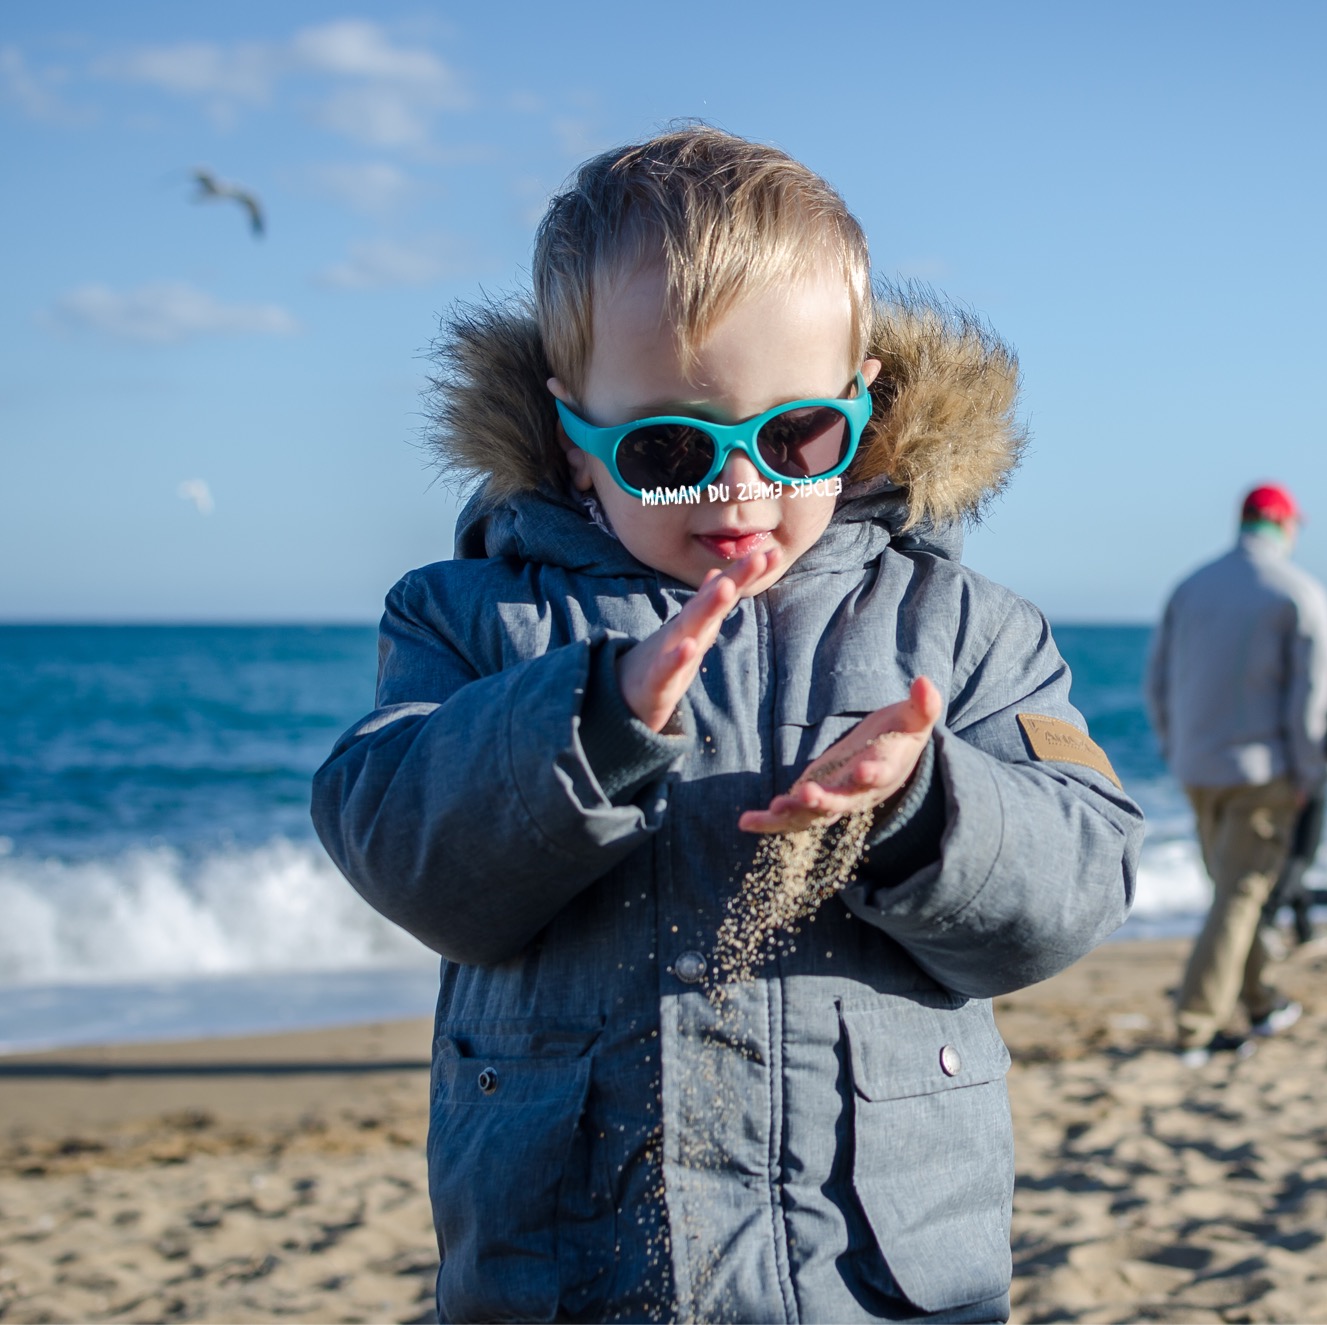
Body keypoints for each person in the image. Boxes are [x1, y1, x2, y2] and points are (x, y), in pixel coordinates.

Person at [311, 128, 1142, 1323]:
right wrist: (583, 724)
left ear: (857, 404)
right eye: (667, 448)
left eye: (793, 435)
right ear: (573, 442)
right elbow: (397, 840)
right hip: (567, 1275)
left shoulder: (961, 631)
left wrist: (919, 806)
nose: (740, 486)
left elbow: (1078, 876)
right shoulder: (471, 617)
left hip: (871, 1275)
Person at [1145, 483, 1327, 1066]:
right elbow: (1311, 703)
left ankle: (1259, 1001)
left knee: (1232, 894)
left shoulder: (1191, 585)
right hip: (1262, 770)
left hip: (1197, 765)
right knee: (1240, 896)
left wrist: (1172, 744)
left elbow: (1157, 682)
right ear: (1283, 524)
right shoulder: (1298, 592)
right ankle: (1195, 1027)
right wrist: (1309, 773)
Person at [1263, 674, 1327, 946]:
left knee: (1284, 854)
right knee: (1301, 854)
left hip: (1267, 772)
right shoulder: (1317, 667)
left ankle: (1303, 928)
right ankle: (1267, 918)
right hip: (1306, 773)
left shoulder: (1269, 672)